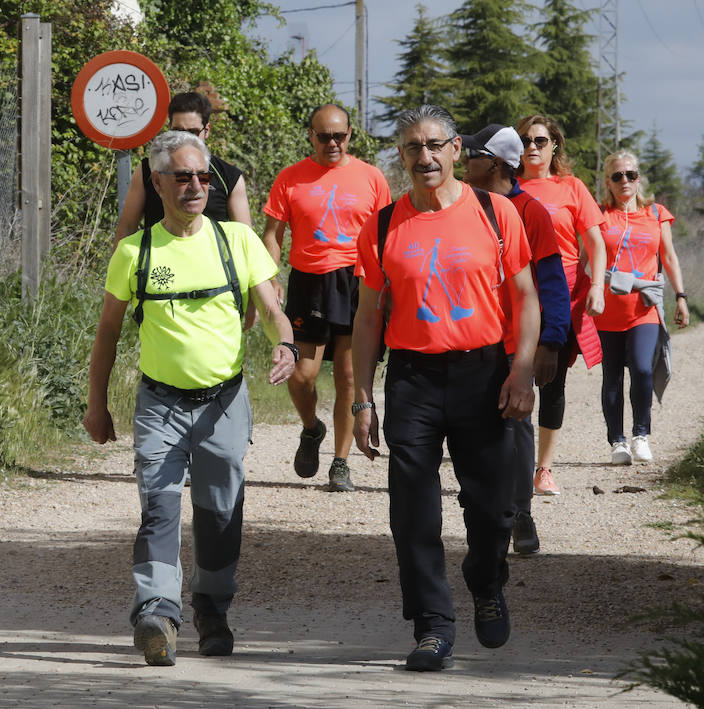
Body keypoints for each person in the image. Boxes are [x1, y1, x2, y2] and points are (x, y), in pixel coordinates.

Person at [82, 132, 296, 666]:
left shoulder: (238, 241)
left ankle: (213, 609)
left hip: (224, 402)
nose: (196, 186)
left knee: (220, 512)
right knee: (158, 506)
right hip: (160, 405)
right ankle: (156, 613)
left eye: (203, 177)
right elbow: (107, 331)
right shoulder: (135, 251)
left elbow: (271, 310)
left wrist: (285, 345)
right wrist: (96, 402)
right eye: (182, 177)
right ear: (157, 184)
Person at [351, 105, 540, 672]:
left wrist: (522, 369)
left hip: (483, 373)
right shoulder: (383, 224)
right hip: (412, 377)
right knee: (412, 507)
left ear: (457, 149)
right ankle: (432, 625)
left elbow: (526, 297)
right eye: (412, 147)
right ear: (401, 155)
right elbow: (366, 318)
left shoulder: (495, 212)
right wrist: (362, 397)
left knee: (492, 506)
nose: (424, 157)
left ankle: (485, 580)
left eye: (435, 145)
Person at [262, 104, 391, 492]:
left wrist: (389, 282)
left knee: (349, 376)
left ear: (351, 134)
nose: (333, 143)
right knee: (302, 375)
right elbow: (272, 233)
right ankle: (311, 428)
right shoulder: (290, 178)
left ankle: (340, 463)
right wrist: (271, 277)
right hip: (309, 282)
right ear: (310, 136)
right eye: (324, 136)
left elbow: (387, 233)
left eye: (340, 135)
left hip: (357, 281)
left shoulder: (371, 177)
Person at [461, 123, 570, 556]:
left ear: (495, 162)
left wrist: (551, 342)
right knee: (472, 427)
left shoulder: (532, 213)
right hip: (470, 338)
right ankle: (484, 506)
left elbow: (552, 283)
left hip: (516, 343)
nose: (463, 160)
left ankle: (521, 511)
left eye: (472, 154)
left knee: (517, 424)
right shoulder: (460, 206)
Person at [516, 114, 606, 495]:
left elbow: (597, 244)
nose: (531, 147)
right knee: (509, 373)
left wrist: (597, 286)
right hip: (515, 289)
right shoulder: (506, 188)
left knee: (552, 381)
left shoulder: (571, 187)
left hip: (563, 293)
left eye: (539, 140)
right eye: (524, 140)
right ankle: (510, 464)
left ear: (555, 145)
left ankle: (544, 469)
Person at [594, 150, 689, 465]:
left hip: (644, 307)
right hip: (607, 309)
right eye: (618, 176)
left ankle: (640, 435)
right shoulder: (598, 214)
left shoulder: (656, 213)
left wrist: (681, 296)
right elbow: (586, 261)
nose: (625, 181)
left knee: (642, 368)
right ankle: (617, 442)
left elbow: (670, 256)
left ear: (639, 179)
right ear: (608, 181)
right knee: (612, 378)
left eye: (631, 175)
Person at [115, 92, 252, 244]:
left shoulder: (229, 176)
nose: (184, 138)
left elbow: (245, 240)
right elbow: (127, 227)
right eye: (177, 131)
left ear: (207, 131)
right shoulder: (148, 170)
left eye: (192, 132)